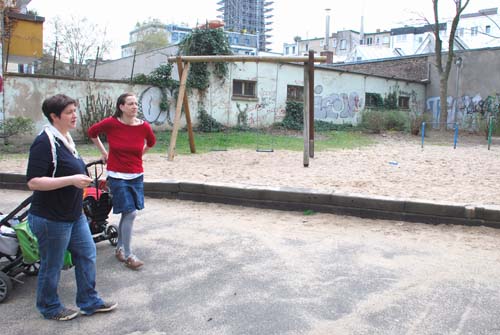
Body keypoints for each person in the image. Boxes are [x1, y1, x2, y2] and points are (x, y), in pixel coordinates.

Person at [27, 94, 117, 321]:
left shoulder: (66, 139)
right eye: (69, 112)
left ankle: (89, 301)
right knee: (52, 264)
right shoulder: (44, 142)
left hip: (74, 215)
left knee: (87, 254)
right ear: (54, 116)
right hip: (51, 218)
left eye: (74, 110)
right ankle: (49, 307)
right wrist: (71, 180)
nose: (74, 115)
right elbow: (34, 182)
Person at [88, 92, 156, 270]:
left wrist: (139, 154)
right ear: (121, 107)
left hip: (136, 175)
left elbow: (151, 142)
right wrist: (104, 152)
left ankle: (119, 249)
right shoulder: (111, 124)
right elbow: (92, 132)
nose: (134, 107)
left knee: (128, 213)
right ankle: (129, 254)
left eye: (135, 104)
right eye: (130, 104)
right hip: (117, 175)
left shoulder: (143, 127)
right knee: (130, 212)